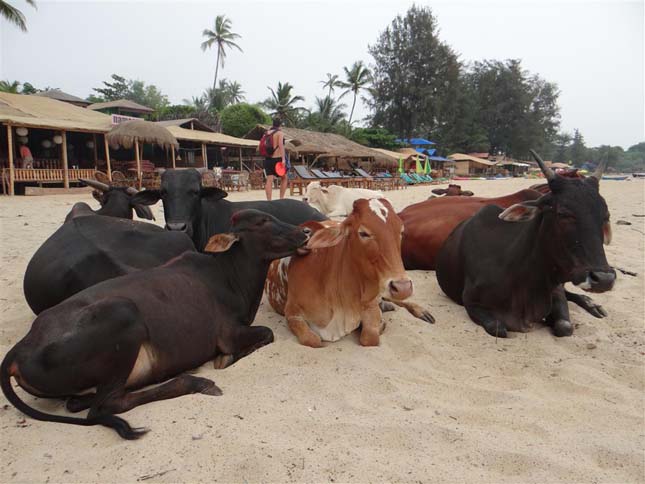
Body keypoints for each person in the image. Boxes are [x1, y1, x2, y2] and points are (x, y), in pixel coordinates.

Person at [264, 117, 288, 200]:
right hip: (277, 159)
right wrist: (283, 159)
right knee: (284, 178)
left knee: (269, 180)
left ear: (273, 123)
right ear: (280, 125)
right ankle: (281, 198)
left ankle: (269, 200)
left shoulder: (266, 133)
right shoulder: (280, 133)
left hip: (267, 159)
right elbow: (281, 146)